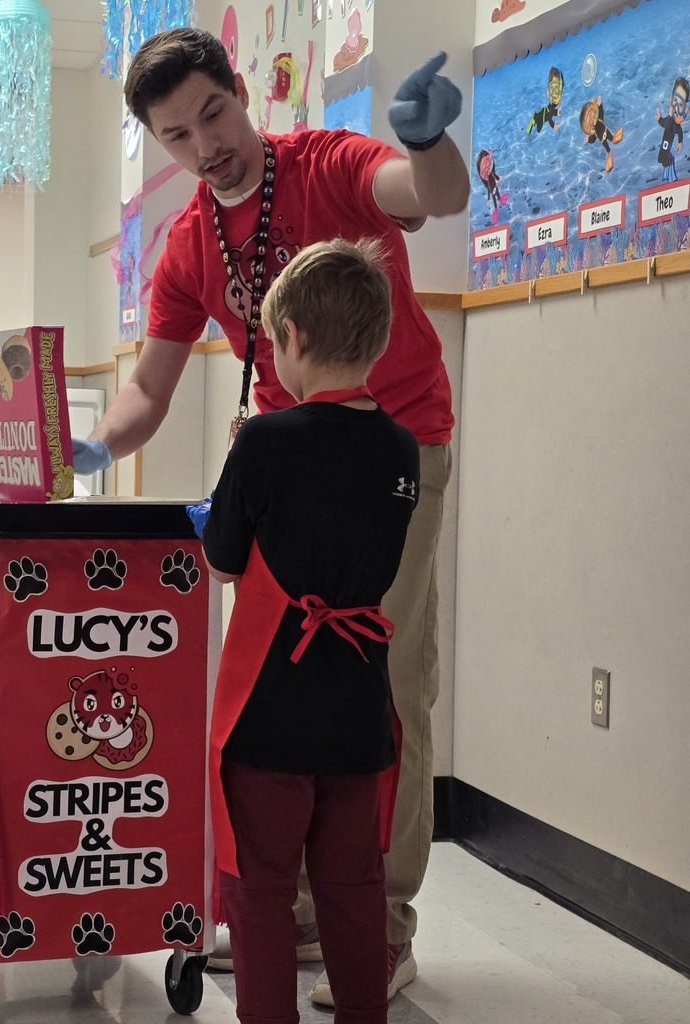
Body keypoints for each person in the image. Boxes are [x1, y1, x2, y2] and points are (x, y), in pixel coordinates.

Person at [72, 27, 466, 1003]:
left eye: (211, 113)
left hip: (393, 446)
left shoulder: (326, 163)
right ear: (162, 148)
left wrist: (425, 140)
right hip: (287, 469)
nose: (204, 143)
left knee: (384, 675)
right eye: (175, 135)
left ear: (240, 92)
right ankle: (291, 911)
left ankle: (382, 926)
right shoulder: (184, 246)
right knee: (279, 691)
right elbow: (147, 395)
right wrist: (82, 449)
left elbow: (430, 195)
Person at [201, 236, 417, 1024]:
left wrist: (240, 474)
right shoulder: (400, 445)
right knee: (353, 886)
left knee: (258, 888)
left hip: (271, 709)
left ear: (289, 337)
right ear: (379, 338)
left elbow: (223, 560)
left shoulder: (265, 438)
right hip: (358, 706)